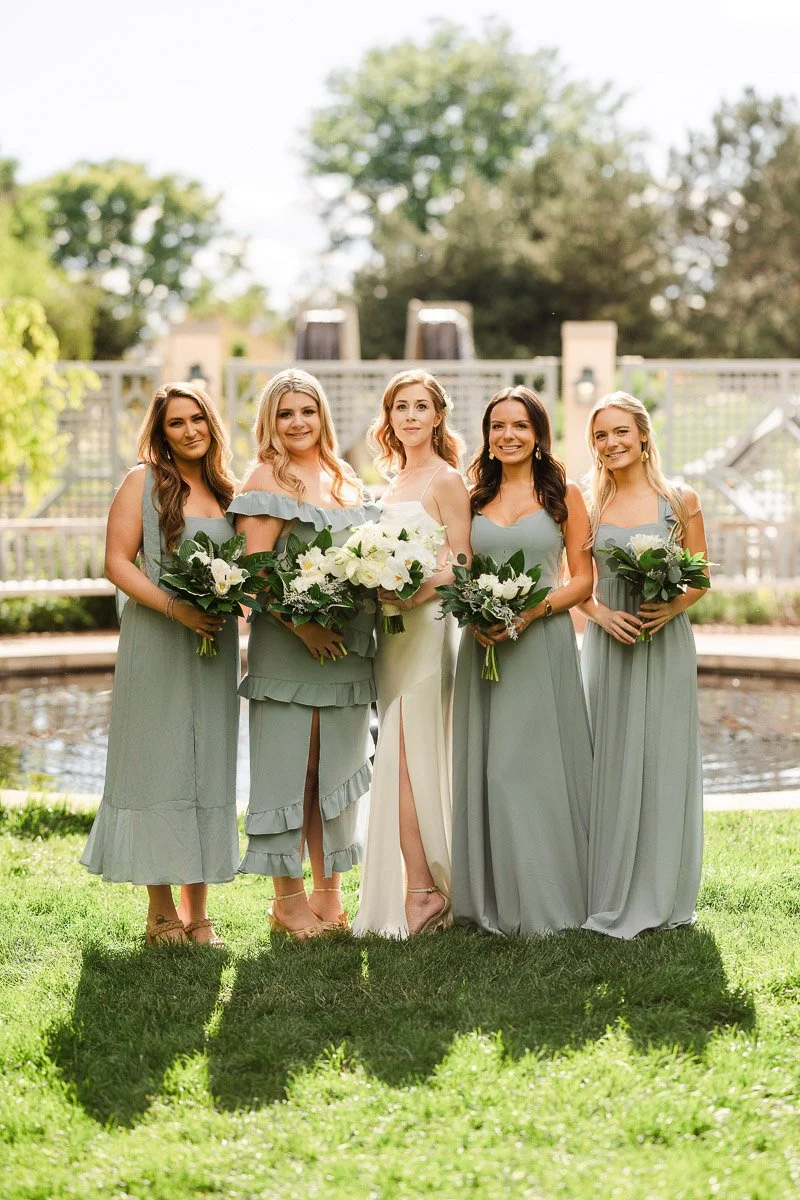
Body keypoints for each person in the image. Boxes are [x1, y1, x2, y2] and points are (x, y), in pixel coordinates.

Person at [81, 383, 240, 946]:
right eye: (177, 423)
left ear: (211, 424)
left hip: (214, 645)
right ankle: (160, 912)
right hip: (157, 638)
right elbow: (116, 563)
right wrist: (177, 609)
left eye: (198, 419)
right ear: (161, 431)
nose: (190, 430)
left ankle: (199, 915)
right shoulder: (141, 482)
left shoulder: (226, 490)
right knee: (157, 763)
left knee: (207, 766)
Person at [229, 368, 377, 940]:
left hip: (345, 649)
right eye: (285, 413)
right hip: (289, 648)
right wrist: (303, 628)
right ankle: (286, 901)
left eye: (307, 412)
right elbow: (253, 570)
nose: (297, 423)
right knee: (294, 768)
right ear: (271, 420)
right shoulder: (266, 476)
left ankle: (329, 896)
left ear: (323, 417)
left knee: (334, 770)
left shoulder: (345, 480)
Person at [451, 387, 594, 936]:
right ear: (487, 436)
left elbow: (582, 580)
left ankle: (549, 898)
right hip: (486, 644)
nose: (507, 435)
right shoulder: (471, 498)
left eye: (519, 426)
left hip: (542, 642)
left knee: (534, 768)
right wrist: (476, 614)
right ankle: (494, 898)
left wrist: (532, 612)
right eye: (496, 426)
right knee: (493, 767)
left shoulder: (565, 495)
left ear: (538, 434)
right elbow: (459, 567)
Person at [580, 391, 708, 938]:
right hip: (609, 646)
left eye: (620, 433)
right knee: (608, 761)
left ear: (643, 435)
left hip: (664, 643)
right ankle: (607, 886)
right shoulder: (587, 505)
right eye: (601, 436)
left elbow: (700, 577)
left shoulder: (679, 500)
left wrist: (670, 606)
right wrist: (600, 617)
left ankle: (665, 892)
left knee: (663, 760)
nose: (611, 444)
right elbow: (578, 585)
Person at [352, 370, 471, 938]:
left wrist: (417, 586)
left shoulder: (447, 480)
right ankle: (418, 885)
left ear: (438, 415)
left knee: (406, 754)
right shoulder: (391, 481)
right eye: (401, 407)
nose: (410, 416)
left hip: (427, 629)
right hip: (389, 635)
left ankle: (424, 889)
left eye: (421, 406)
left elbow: (465, 563)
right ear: (389, 417)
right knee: (396, 756)